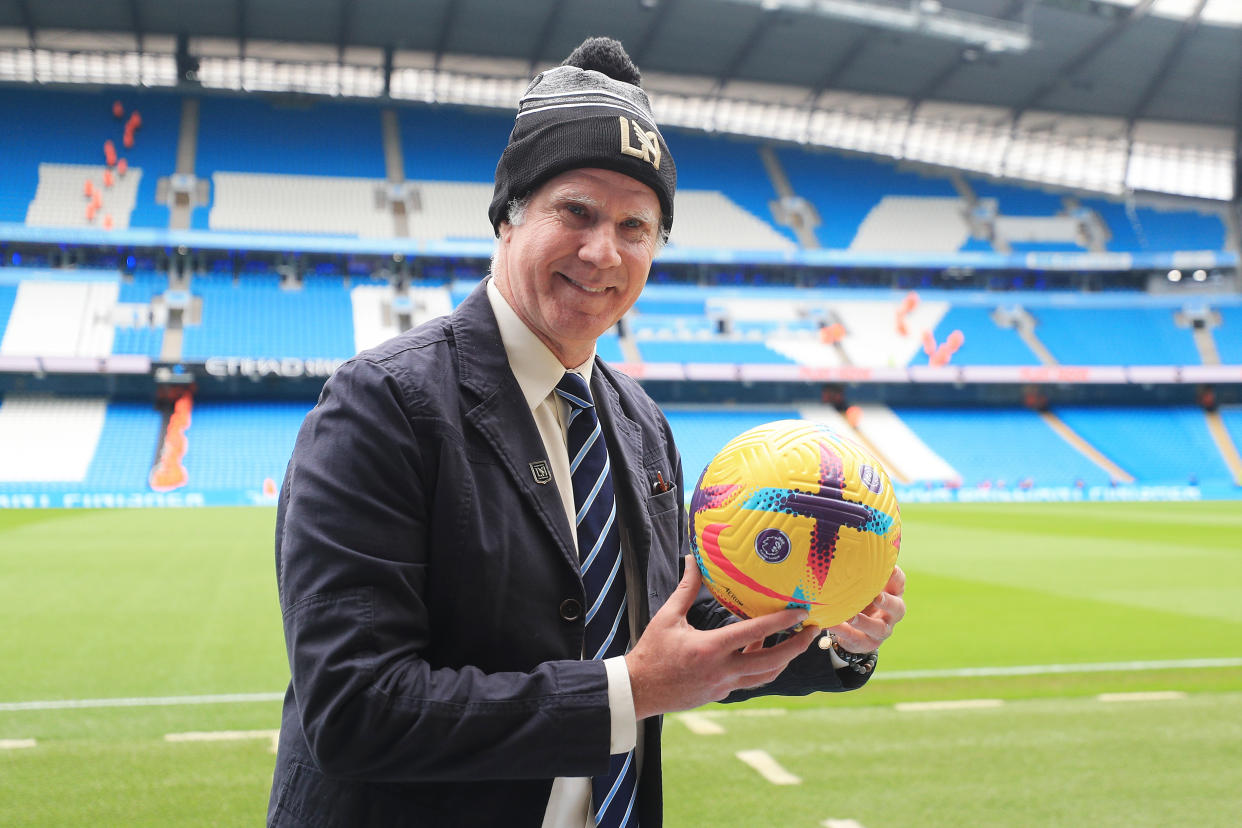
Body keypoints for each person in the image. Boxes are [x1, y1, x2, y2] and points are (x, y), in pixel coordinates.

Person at [268, 36, 905, 828]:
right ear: (508, 215)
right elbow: (356, 709)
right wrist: (632, 690)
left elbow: (690, 624)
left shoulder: (639, 423)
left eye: (636, 227)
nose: (603, 251)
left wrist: (833, 636)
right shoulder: (381, 405)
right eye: (575, 211)